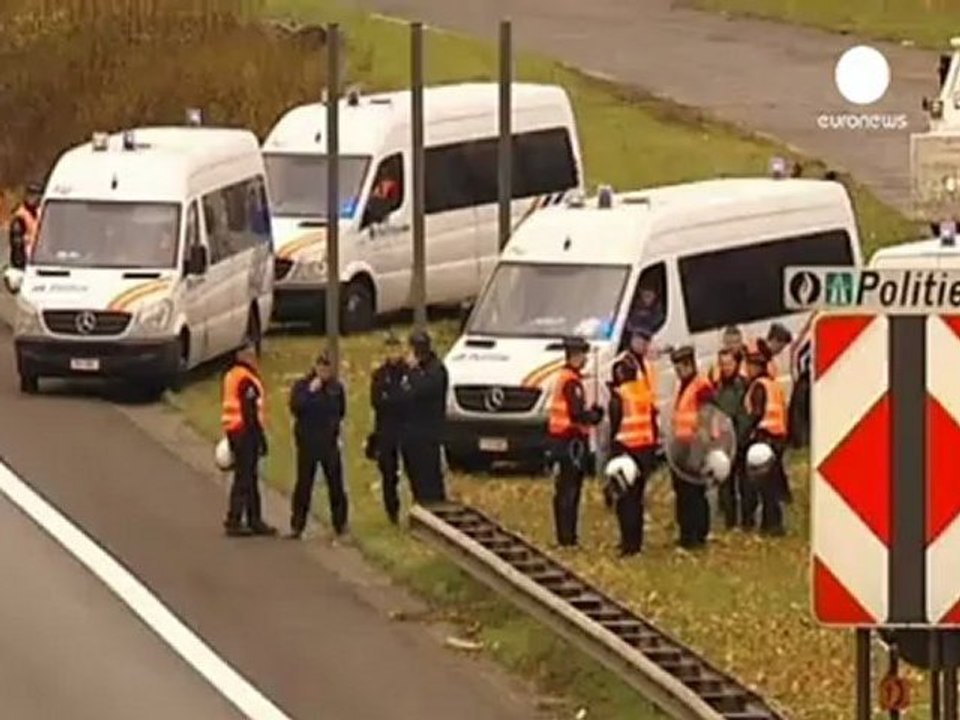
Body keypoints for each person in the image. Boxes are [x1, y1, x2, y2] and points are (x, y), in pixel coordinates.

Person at [547, 336, 603, 547]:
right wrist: (594, 416)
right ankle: (567, 537)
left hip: (563, 440)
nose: (586, 360)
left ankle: (566, 535)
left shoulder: (566, 377)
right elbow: (576, 414)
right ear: (575, 356)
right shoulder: (571, 381)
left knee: (565, 489)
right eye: (583, 356)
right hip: (570, 442)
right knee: (569, 490)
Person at [288, 351, 347, 539]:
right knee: (304, 485)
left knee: (336, 485)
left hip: (328, 443)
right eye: (321, 366)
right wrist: (310, 392)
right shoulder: (303, 386)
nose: (323, 370)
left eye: (327, 367)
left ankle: (340, 524)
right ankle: (297, 524)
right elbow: (296, 407)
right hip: (307, 443)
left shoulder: (336, 389)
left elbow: (340, 411)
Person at [221, 342, 275, 537]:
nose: (254, 358)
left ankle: (254, 519)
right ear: (243, 356)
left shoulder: (232, 375)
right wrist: (259, 437)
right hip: (245, 432)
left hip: (235, 430)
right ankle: (234, 519)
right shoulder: (245, 379)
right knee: (244, 478)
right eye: (251, 354)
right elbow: (249, 410)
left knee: (249, 477)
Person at [608, 358, 658, 556]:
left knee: (624, 501)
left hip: (625, 451)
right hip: (644, 451)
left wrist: (613, 454)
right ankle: (636, 543)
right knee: (637, 499)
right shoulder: (644, 393)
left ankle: (628, 544)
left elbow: (615, 426)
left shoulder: (620, 397)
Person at [668, 346, 714, 549]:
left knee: (694, 492)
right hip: (681, 446)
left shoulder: (701, 386)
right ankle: (686, 533)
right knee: (683, 492)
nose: (678, 372)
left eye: (680, 367)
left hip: (695, 446)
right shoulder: (685, 385)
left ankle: (697, 535)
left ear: (690, 364)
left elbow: (707, 417)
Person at [742, 344, 788, 535]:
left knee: (764, 486)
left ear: (757, 367)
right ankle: (773, 523)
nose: (748, 370)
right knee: (772, 484)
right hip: (778, 437)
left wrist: (745, 435)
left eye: (750, 366)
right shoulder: (773, 384)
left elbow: (757, 413)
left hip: (765, 438)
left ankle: (771, 525)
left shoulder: (759, 386)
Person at [399, 330, 448, 504]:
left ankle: (434, 507)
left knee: (430, 478)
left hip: (428, 434)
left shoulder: (436, 370)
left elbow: (420, 391)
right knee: (414, 475)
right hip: (410, 433)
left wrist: (412, 373)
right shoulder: (410, 370)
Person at [711, 348, 751, 530]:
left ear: (737, 364)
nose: (725, 368)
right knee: (726, 487)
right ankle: (730, 521)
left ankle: (747, 521)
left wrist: (741, 438)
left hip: (741, 442)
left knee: (745, 485)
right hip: (723, 445)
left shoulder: (744, 386)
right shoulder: (717, 388)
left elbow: (746, 415)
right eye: (722, 364)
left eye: (728, 364)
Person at [370, 333, 407, 524]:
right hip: (385, 429)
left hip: (406, 427)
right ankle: (392, 512)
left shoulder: (408, 373)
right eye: (389, 350)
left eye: (396, 349)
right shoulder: (379, 375)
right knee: (388, 473)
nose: (393, 354)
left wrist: (391, 398)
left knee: (411, 469)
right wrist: (395, 398)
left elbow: (409, 400)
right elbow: (377, 401)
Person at [9, 183, 41, 268]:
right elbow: (17, 242)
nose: (36, 198)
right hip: (25, 261)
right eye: (33, 195)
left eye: (38, 195)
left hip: (37, 258)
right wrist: (20, 264)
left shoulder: (39, 212)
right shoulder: (20, 216)